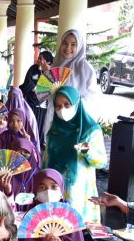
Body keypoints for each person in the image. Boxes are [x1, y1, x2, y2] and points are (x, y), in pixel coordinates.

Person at [45, 86, 106, 223]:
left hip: (80, 195)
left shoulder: (91, 131)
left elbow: (101, 162)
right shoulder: (54, 131)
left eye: (67, 104)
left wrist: (87, 151)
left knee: (79, 236)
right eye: (58, 106)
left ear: (77, 104)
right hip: (54, 191)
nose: (62, 110)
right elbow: (46, 162)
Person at [44, 30, 97, 135]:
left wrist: (70, 106)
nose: (68, 48)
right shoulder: (56, 65)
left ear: (80, 46)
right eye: (65, 43)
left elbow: (92, 97)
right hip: (56, 121)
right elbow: (49, 96)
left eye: (73, 44)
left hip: (75, 123)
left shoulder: (86, 69)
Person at [0, 137, 41, 212]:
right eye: (18, 152)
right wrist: (7, 191)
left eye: (26, 152)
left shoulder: (38, 175)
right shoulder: (4, 175)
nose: (22, 156)